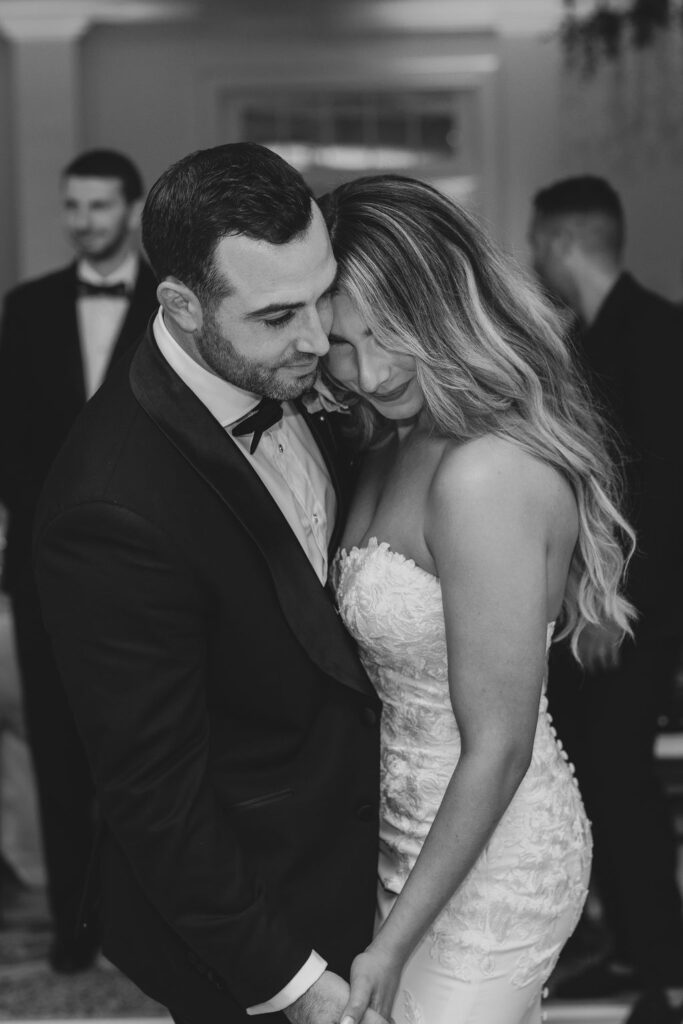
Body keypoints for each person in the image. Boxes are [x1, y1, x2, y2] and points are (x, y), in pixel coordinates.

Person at [33, 143, 384, 1024]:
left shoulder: (299, 372)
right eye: (276, 316)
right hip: (258, 927)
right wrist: (297, 987)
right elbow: (157, 800)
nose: (317, 338)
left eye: (322, 294)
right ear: (183, 307)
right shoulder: (111, 506)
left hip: (375, 867)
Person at [316, 174, 635, 1024]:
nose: (369, 372)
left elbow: (499, 747)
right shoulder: (389, 440)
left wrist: (388, 946)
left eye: (388, 335)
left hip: (494, 858)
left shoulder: (484, 472)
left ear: (443, 308)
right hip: (402, 839)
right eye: (341, 344)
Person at [529, 176, 683, 1023]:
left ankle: (660, 959)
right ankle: (624, 940)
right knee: (591, 775)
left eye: (533, 242)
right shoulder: (577, 342)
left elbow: (666, 495)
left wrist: (619, 609)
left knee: (618, 779)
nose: (529, 257)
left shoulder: (661, 332)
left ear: (559, 242)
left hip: (637, 614)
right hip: (588, 609)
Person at [0, 148, 157, 971]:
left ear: (130, 210)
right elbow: (10, 445)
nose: (83, 221)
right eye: (72, 207)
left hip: (144, 571)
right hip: (42, 571)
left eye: (98, 206)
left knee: (141, 750)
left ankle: (142, 925)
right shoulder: (24, 310)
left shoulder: (174, 308)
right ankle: (72, 927)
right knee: (58, 755)